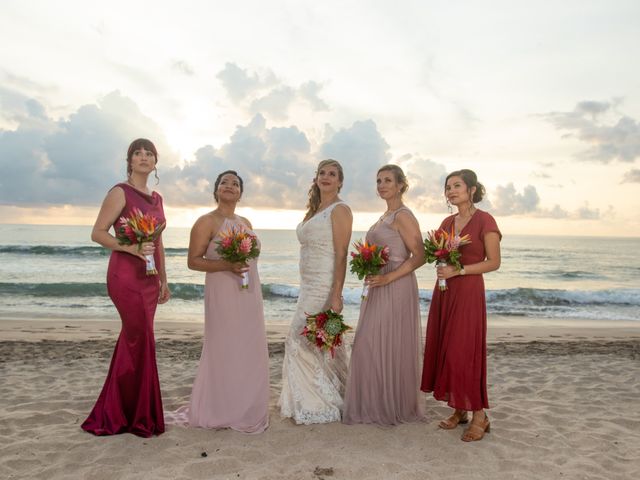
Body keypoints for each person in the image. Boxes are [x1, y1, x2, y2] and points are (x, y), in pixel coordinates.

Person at [82, 138, 171, 437]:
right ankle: (128, 415)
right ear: (130, 161)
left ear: (155, 162)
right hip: (125, 275)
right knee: (141, 338)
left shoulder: (157, 198)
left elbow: (157, 242)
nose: (144, 157)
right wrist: (131, 248)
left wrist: (163, 279)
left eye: (149, 153)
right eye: (138, 153)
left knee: (136, 340)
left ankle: (127, 410)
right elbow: (97, 233)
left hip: (148, 279)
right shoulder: (120, 192)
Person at [185, 170, 269, 434]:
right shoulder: (206, 221)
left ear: (241, 193)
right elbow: (193, 261)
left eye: (235, 183)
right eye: (224, 182)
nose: (230, 186)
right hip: (223, 291)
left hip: (248, 294)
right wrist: (227, 264)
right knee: (224, 345)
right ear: (216, 190)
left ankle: (244, 404)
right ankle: (221, 407)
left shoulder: (246, 221)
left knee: (247, 347)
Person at [421, 169, 501, 442]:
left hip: (467, 291)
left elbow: (494, 262)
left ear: (472, 190)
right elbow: (440, 255)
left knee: (463, 351)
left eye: (457, 186)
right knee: (447, 349)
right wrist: (443, 267)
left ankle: (480, 415)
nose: (451, 191)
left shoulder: (485, 220)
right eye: (448, 187)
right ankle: (460, 411)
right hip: (445, 291)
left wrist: (460, 271)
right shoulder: (447, 221)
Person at [343, 165, 425, 425]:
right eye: (378, 180)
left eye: (388, 180)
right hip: (378, 284)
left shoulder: (403, 215)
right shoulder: (383, 216)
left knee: (383, 342)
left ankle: (391, 405)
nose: (381, 185)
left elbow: (420, 255)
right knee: (368, 343)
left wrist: (389, 277)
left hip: (396, 284)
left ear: (401, 185)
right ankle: (375, 403)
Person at [279, 159, 353, 424]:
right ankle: (318, 398)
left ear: (340, 181)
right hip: (306, 284)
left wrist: (336, 294)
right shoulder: (314, 209)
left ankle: (322, 403)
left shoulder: (340, 209)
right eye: (322, 173)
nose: (326, 177)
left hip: (323, 285)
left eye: (332, 174)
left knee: (301, 339)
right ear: (316, 178)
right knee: (319, 342)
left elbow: (342, 253)